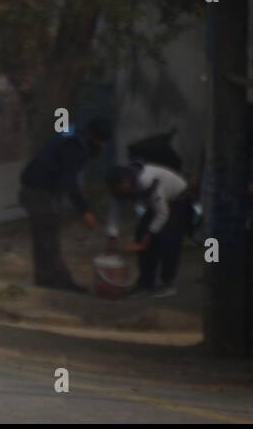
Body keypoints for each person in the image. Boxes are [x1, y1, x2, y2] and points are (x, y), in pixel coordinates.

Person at [18, 117, 111, 292]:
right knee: (47, 237)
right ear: (93, 137)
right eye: (101, 142)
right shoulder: (73, 146)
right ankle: (59, 282)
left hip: (40, 189)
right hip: (37, 191)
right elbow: (69, 181)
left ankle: (46, 280)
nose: (102, 146)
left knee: (45, 237)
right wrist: (85, 210)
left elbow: (61, 175)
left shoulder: (74, 136)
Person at [105, 161, 191, 297]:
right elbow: (114, 212)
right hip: (157, 204)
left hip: (177, 198)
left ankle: (168, 283)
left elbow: (163, 213)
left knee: (167, 238)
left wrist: (149, 234)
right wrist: (112, 235)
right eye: (115, 189)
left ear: (126, 181)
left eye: (119, 187)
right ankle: (145, 283)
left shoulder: (146, 181)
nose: (118, 191)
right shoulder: (117, 189)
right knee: (140, 234)